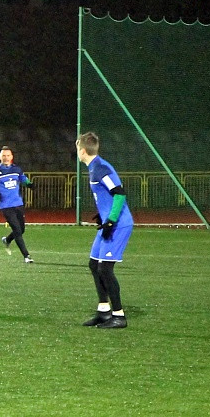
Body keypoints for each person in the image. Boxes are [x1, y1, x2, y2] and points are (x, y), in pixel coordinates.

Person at [76, 132, 133, 329]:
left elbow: (119, 194)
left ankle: (119, 316)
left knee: (105, 269)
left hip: (118, 224)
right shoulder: (95, 167)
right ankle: (103, 311)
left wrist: (110, 221)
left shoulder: (100, 168)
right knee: (94, 264)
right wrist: (104, 216)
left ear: (82, 151)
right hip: (110, 221)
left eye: (77, 149)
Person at [0, 146, 34, 263]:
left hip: (18, 203)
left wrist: (29, 184)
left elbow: (23, 179)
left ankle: (7, 240)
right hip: (5, 205)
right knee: (16, 229)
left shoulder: (17, 169)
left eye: (8, 155)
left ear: (12, 157)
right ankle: (26, 256)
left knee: (21, 229)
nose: (6, 158)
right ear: (0, 157)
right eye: (3, 155)